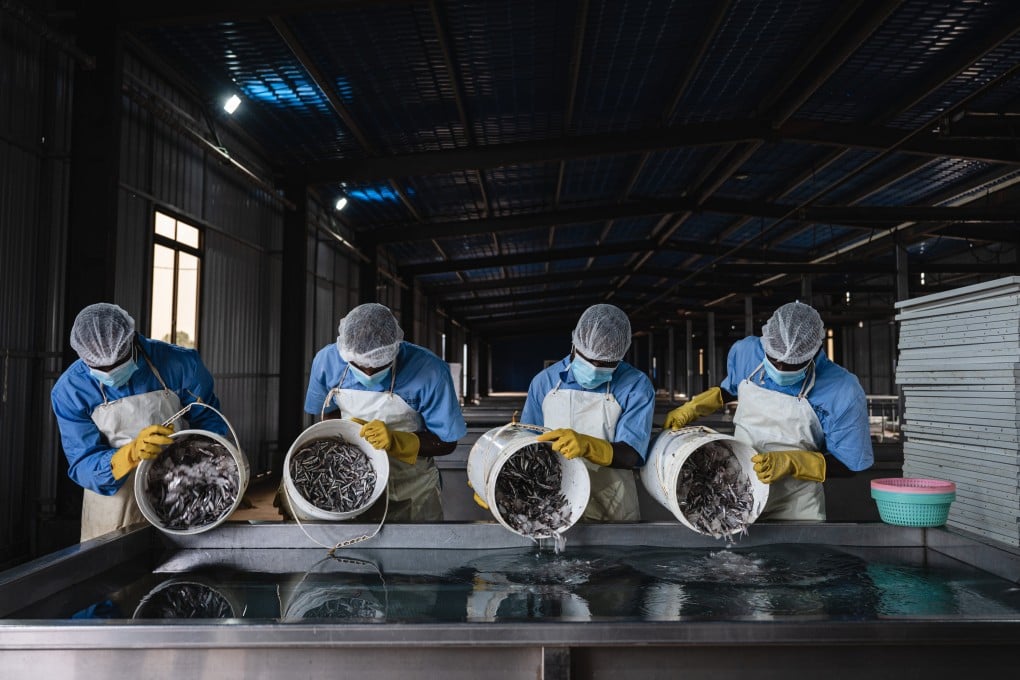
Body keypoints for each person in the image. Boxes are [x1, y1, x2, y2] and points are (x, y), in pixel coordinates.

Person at [664, 301, 873, 521]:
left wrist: (794, 462)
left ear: (815, 352)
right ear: (766, 343)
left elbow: (850, 465)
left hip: (796, 503)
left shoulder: (842, 390)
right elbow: (731, 388)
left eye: (793, 364)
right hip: (736, 491)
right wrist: (694, 407)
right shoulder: (746, 352)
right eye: (773, 359)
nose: (780, 368)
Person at [51, 303, 229, 541]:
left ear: (131, 339)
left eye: (118, 362)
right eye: (99, 367)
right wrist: (129, 454)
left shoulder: (179, 364)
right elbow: (82, 462)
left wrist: (217, 473)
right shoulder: (70, 390)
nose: (110, 372)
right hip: (112, 505)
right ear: (83, 356)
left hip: (178, 490)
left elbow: (209, 422)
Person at [298, 303, 466, 522]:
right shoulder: (327, 362)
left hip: (411, 487)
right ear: (345, 352)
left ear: (394, 349)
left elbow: (447, 442)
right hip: (351, 477)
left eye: (378, 366)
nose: (368, 372)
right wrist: (345, 432)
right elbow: (326, 414)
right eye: (358, 365)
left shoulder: (430, 371)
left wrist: (398, 441)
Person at [518, 303, 655, 522]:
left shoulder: (636, 385)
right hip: (553, 500)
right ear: (574, 345)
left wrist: (588, 446)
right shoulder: (544, 382)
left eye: (605, 363)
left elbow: (632, 454)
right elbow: (525, 445)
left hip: (612, 503)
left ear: (620, 356)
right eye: (587, 359)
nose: (594, 368)